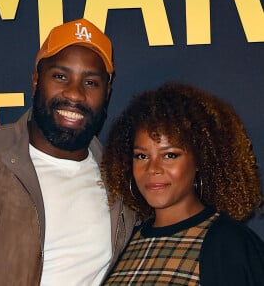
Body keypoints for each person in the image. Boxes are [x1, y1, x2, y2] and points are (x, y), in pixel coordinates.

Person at [0, 18, 137, 286]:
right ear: (35, 80)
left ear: (107, 93)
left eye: (90, 82)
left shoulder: (123, 182)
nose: (75, 94)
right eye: (60, 76)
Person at [101, 82, 264, 285]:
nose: (153, 168)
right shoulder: (127, 241)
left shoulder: (229, 245)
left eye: (169, 155)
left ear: (199, 160)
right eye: (141, 156)